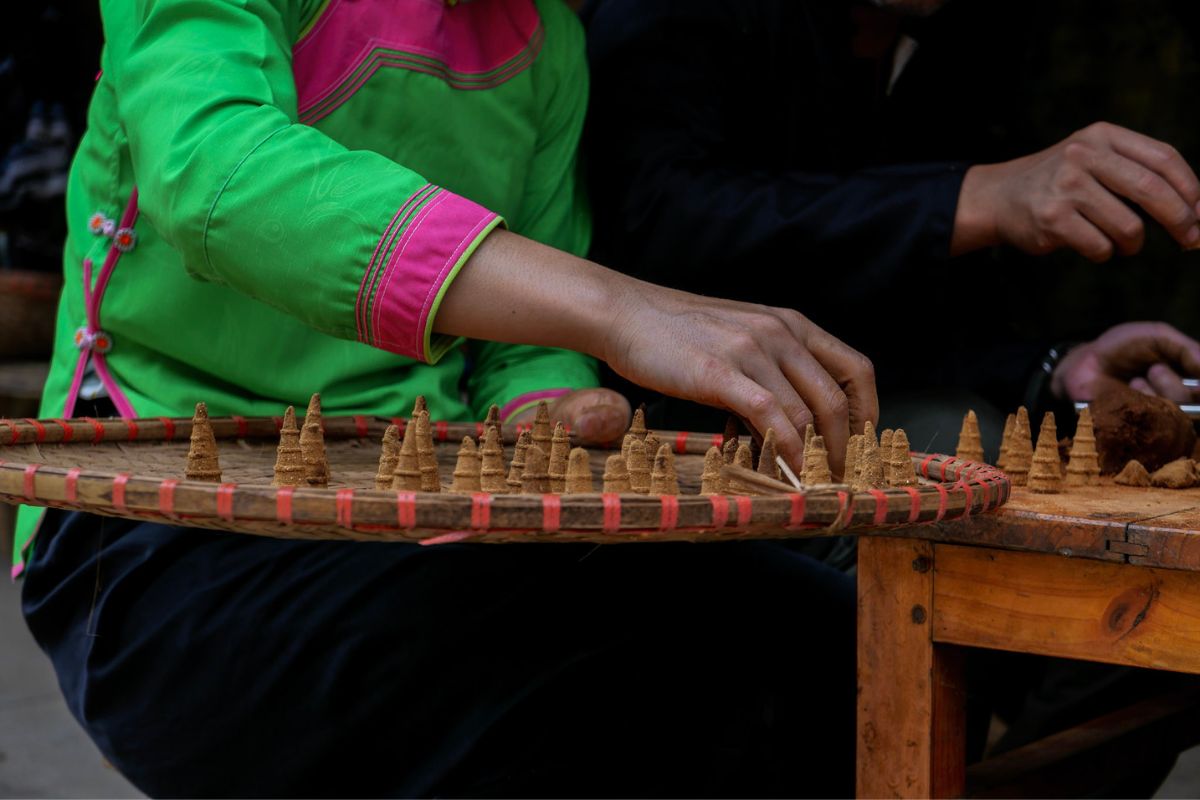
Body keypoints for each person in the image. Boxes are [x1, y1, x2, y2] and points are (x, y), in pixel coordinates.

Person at [15, 1, 871, 795]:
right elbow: (212, 172)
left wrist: (548, 409)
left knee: (812, 634)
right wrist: (621, 308)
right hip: (162, 540)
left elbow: (524, 347)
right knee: (680, 674)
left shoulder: (546, 40)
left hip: (430, 522)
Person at [584, 0, 1200, 451]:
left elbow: (903, 319)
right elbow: (654, 226)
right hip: (654, 424)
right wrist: (970, 197)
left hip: (857, 407)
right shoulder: (671, 21)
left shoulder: (962, 39)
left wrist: (1053, 368)